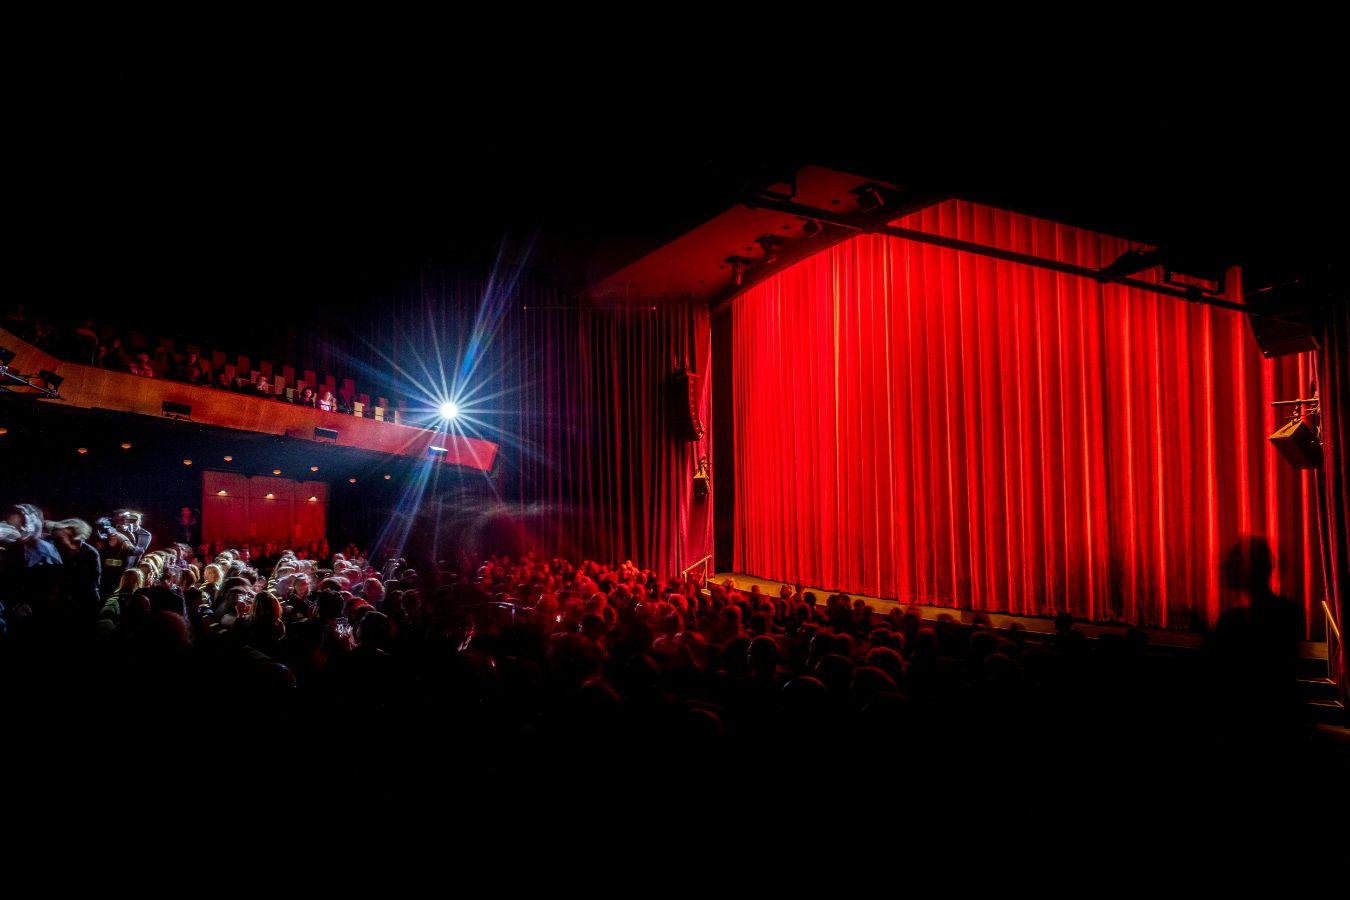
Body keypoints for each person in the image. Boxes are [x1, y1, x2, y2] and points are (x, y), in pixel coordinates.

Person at [48, 518, 102, 622]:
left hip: (83, 602)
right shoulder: (57, 547)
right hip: (61, 601)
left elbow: (91, 581)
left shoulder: (90, 553)